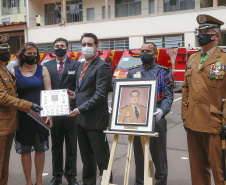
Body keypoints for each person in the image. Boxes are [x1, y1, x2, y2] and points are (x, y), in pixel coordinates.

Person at [182, 14, 226, 185]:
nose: (199, 35)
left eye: (204, 31)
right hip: (192, 123)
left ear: (215, 35)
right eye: (198, 31)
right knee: (198, 172)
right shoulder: (192, 59)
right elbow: (186, 88)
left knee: (220, 172)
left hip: (215, 124)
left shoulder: (223, 59)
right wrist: (185, 115)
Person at [127, 42, 174, 185]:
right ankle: (140, 182)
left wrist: (163, 110)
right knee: (139, 157)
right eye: (142, 50)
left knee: (159, 158)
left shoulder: (164, 72)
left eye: (148, 51)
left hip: (156, 120)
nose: (144, 53)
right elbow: (126, 94)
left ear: (155, 54)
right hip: (138, 120)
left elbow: (168, 96)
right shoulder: (131, 72)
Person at [68, 33, 112, 185]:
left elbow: (100, 95)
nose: (86, 47)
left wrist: (80, 109)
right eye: (84, 44)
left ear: (96, 47)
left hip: (95, 121)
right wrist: (74, 95)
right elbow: (83, 90)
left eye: (90, 44)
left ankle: (107, 182)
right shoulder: (81, 65)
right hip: (81, 121)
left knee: (102, 159)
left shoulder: (102, 67)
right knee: (87, 159)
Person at [0, 35, 42, 185]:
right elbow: (3, 98)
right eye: (3, 50)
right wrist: (29, 105)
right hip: (3, 126)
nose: (7, 52)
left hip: (9, 124)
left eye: (7, 50)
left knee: (4, 164)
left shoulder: (4, 69)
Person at [11, 42, 52, 185]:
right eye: (29, 54)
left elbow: (48, 93)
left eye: (35, 54)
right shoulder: (14, 72)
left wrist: (49, 114)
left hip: (41, 116)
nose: (32, 56)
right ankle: (28, 182)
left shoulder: (43, 70)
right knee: (25, 151)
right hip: (23, 117)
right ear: (23, 55)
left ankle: (39, 181)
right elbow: (11, 96)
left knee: (41, 150)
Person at [44, 38, 80, 185]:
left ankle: (71, 177)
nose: (59, 48)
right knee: (56, 145)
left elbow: (80, 86)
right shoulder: (46, 66)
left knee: (71, 145)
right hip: (54, 111)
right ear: (53, 49)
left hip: (71, 111)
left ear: (67, 48)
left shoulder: (77, 65)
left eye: (62, 46)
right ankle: (57, 176)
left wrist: (75, 94)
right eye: (57, 46)